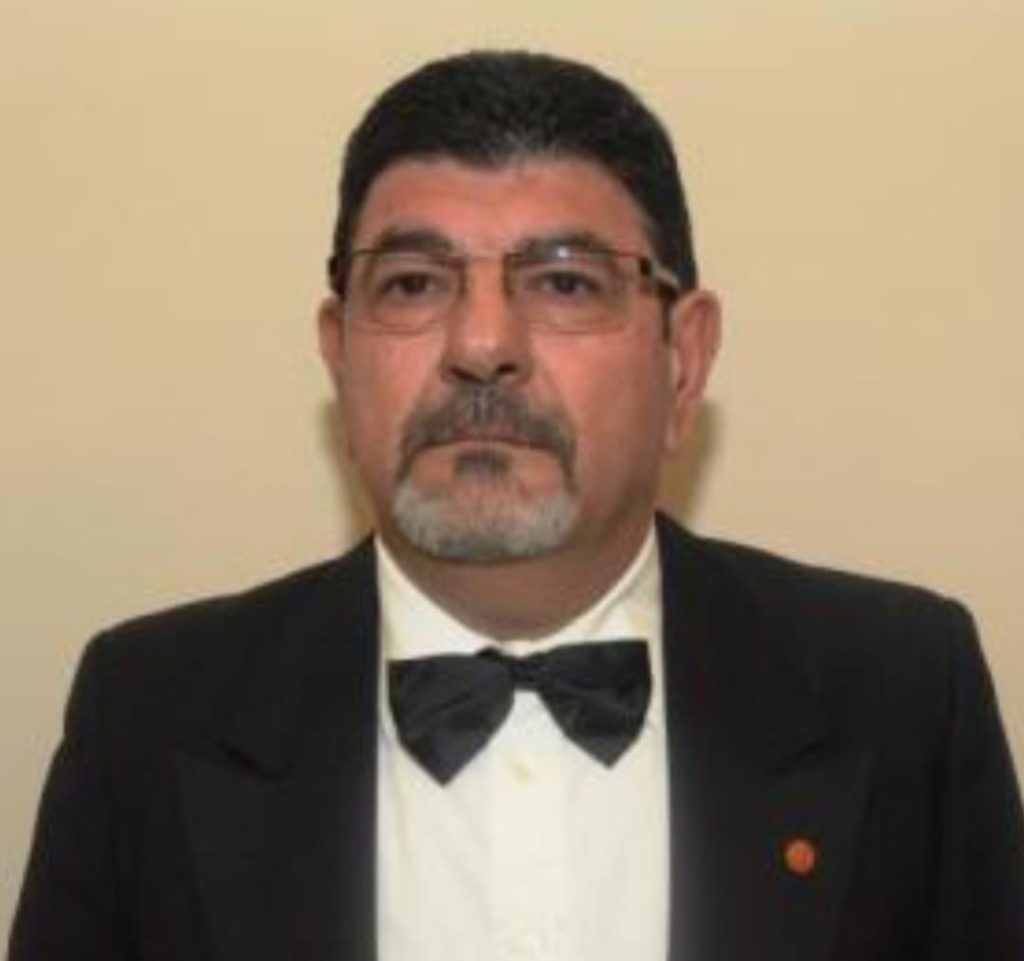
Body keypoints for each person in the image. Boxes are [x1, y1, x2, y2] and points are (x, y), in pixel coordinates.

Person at [9, 50, 1024, 961]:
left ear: (683, 361)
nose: (482, 344)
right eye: (413, 283)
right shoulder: (147, 715)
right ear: (339, 352)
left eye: (565, 283)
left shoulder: (902, 693)